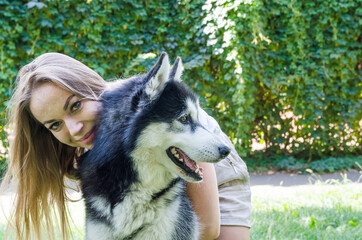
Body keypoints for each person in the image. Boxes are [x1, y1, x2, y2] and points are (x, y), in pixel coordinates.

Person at [1, 53, 251, 240]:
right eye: (55, 124)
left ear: (92, 88)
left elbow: (207, 226)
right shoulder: (80, 144)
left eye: (75, 105)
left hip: (207, 159)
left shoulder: (160, 104)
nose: (74, 129)